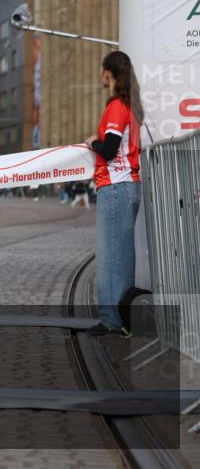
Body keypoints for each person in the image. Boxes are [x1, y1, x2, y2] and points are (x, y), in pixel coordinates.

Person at [84, 50, 143, 338]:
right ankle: (123, 317)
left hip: (116, 186)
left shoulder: (116, 107)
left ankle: (110, 319)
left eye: (100, 69)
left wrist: (92, 142)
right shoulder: (131, 106)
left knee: (109, 257)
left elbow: (109, 149)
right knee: (123, 257)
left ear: (108, 72)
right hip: (128, 185)